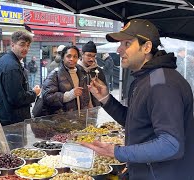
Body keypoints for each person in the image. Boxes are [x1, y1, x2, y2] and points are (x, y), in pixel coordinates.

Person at [84, 19, 194, 180]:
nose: (119, 50)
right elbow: (137, 121)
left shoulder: (162, 84)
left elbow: (171, 144)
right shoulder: (146, 78)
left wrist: (116, 152)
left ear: (147, 47)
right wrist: (106, 98)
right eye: (120, 44)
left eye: (127, 44)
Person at [0, 31, 41, 126]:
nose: (25, 48)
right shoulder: (12, 67)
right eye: (22, 45)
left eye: (28, 45)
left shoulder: (3, 60)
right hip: (13, 120)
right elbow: (17, 98)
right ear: (12, 44)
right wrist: (34, 93)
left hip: (5, 116)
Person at [42, 45, 91, 115]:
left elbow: (84, 98)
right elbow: (47, 97)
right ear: (63, 58)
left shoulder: (81, 73)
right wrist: (69, 95)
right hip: (63, 119)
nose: (72, 59)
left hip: (80, 118)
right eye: (69, 56)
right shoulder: (54, 74)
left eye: (75, 56)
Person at [77, 41, 106, 107]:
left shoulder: (98, 70)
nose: (91, 59)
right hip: (80, 107)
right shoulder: (76, 69)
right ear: (82, 54)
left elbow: (104, 89)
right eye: (89, 55)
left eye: (94, 56)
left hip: (95, 107)